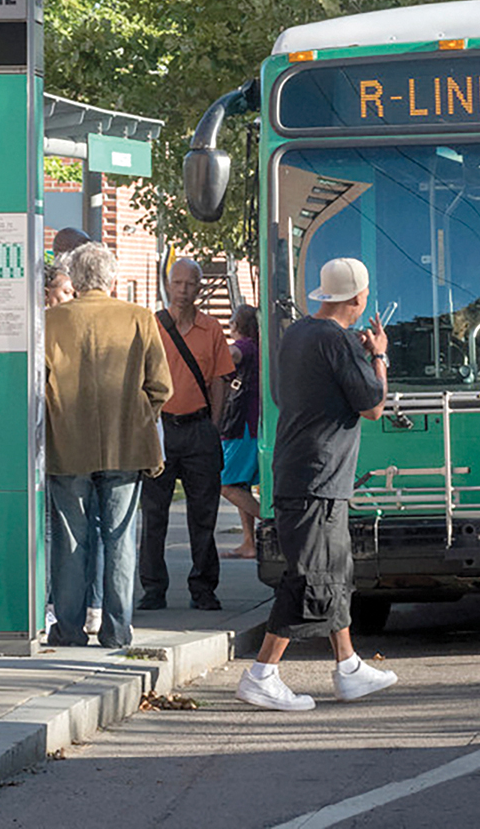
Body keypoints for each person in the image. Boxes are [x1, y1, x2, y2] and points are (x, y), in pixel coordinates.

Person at [236, 257, 397, 711]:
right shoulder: (338, 341)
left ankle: (349, 666)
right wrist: (378, 355)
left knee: (335, 571)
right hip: (319, 477)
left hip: (302, 471)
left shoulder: (298, 334)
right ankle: (261, 674)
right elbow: (373, 406)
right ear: (359, 298)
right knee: (310, 576)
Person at [44, 242, 172, 648]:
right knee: (120, 539)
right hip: (126, 444)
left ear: (75, 279)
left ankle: (68, 628)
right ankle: (117, 630)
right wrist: (138, 416)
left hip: (67, 444)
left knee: (70, 539)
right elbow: (161, 386)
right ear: (112, 279)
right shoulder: (139, 318)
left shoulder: (50, 321)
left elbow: (37, 385)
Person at [139, 258, 236, 612]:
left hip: (199, 430)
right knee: (154, 514)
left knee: (203, 515)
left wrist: (214, 424)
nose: (182, 290)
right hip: (161, 430)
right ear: (168, 285)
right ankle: (153, 589)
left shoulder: (211, 329)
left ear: (199, 287)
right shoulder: (152, 326)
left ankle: (203, 588)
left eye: (190, 284)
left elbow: (220, 380)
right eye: (177, 283)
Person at [219, 304, 262, 560]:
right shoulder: (259, 348)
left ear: (239, 325)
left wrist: (213, 352)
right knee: (241, 485)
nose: (229, 325)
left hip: (243, 425)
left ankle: (276, 522)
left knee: (226, 484)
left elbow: (232, 354)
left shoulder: (244, 346)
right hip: (250, 423)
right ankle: (249, 542)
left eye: (232, 321)